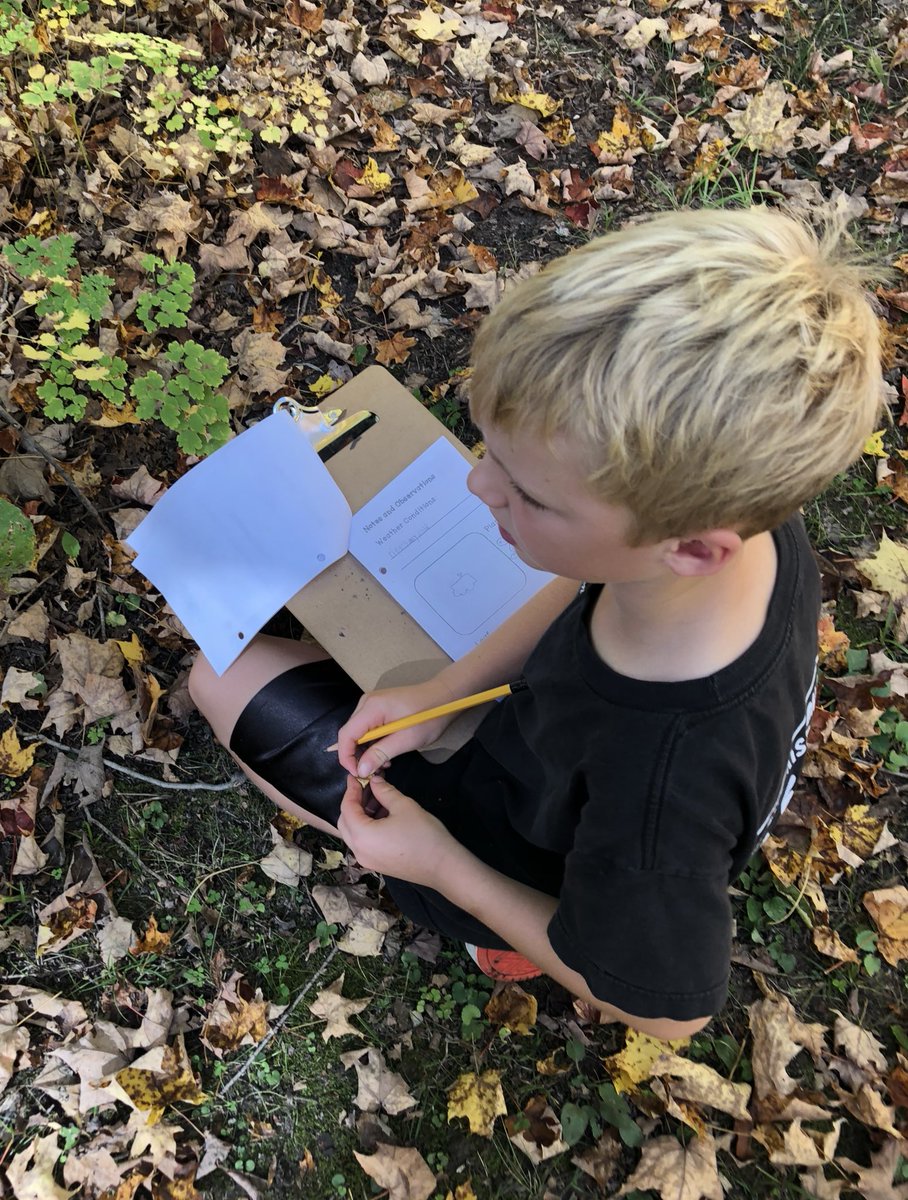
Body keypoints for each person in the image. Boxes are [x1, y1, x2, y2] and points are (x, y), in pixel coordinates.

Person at [189, 206, 882, 1040]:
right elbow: (592, 584)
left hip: (509, 848)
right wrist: (446, 690)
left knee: (217, 678)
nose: (478, 487)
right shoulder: (746, 526)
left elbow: (667, 1011)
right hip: (534, 755)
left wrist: (440, 865)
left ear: (693, 548)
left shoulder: (661, 787)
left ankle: (513, 940)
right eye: (491, 454)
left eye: (529, 495)